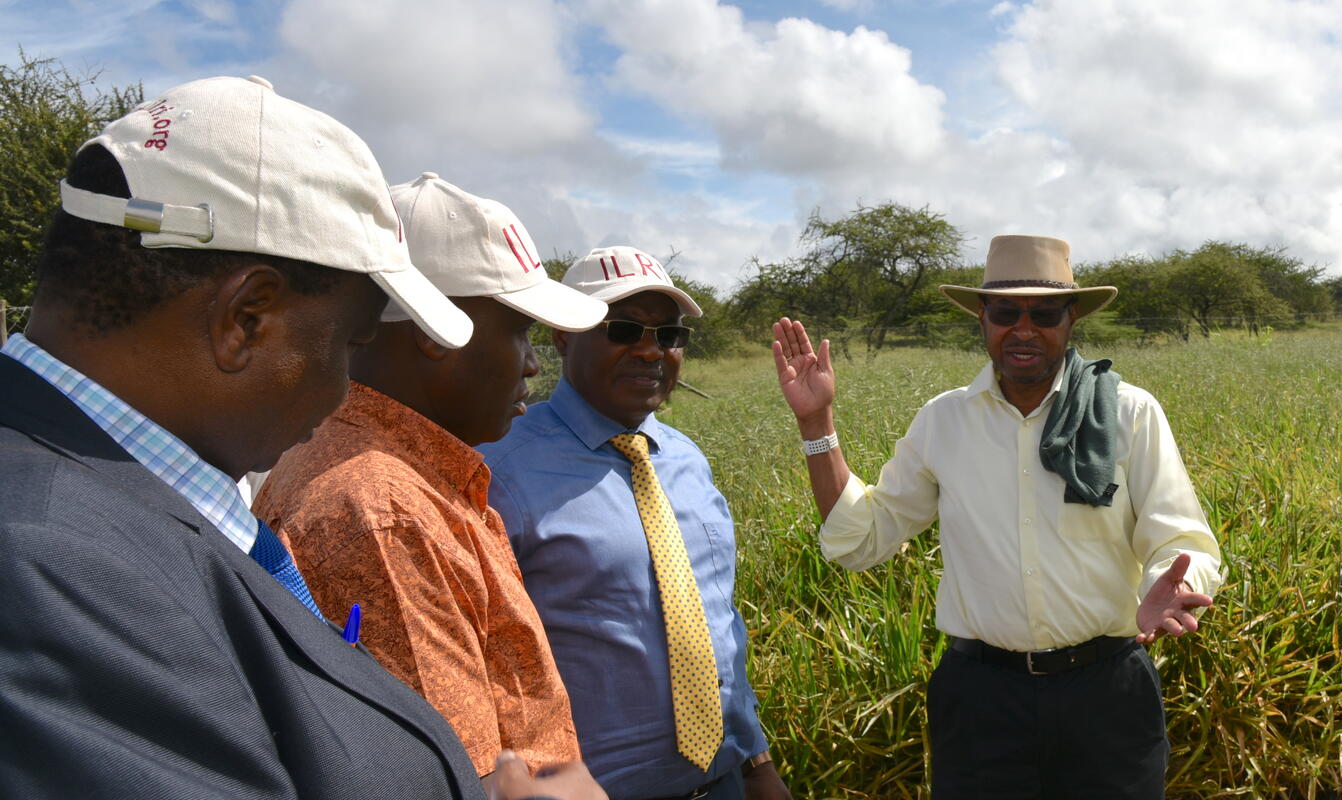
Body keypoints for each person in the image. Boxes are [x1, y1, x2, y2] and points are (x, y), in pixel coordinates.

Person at [0, 75, 598, 799]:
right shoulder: (46, 565)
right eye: (349, 344)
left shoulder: (121, 510)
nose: (346, 393)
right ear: (246, 318)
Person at [771, 234, 1225, 799]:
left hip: (1109, 692)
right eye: (1007, 311)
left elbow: (1182, 542)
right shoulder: (944, 421)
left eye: (1046, 312)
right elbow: (863, 539)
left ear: (1072, 318)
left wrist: (1166, 586)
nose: (1024, 329)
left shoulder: (1130, 412)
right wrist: (817, 424)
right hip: (982, 699)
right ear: (982, 319)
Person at [255, 173, 607, 778]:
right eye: (519, 329)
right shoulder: (383, 512)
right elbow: (462, 780)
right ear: (432, 331)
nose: (531, 361)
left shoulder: (396, 476)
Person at [481, 246, 791, 800]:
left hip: (725, 782)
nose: (650, 351)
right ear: (563, 336)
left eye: (668, 335)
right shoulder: (497, 471)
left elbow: (719, 624)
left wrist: (758, 764)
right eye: (622, 330)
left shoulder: (686, 460)